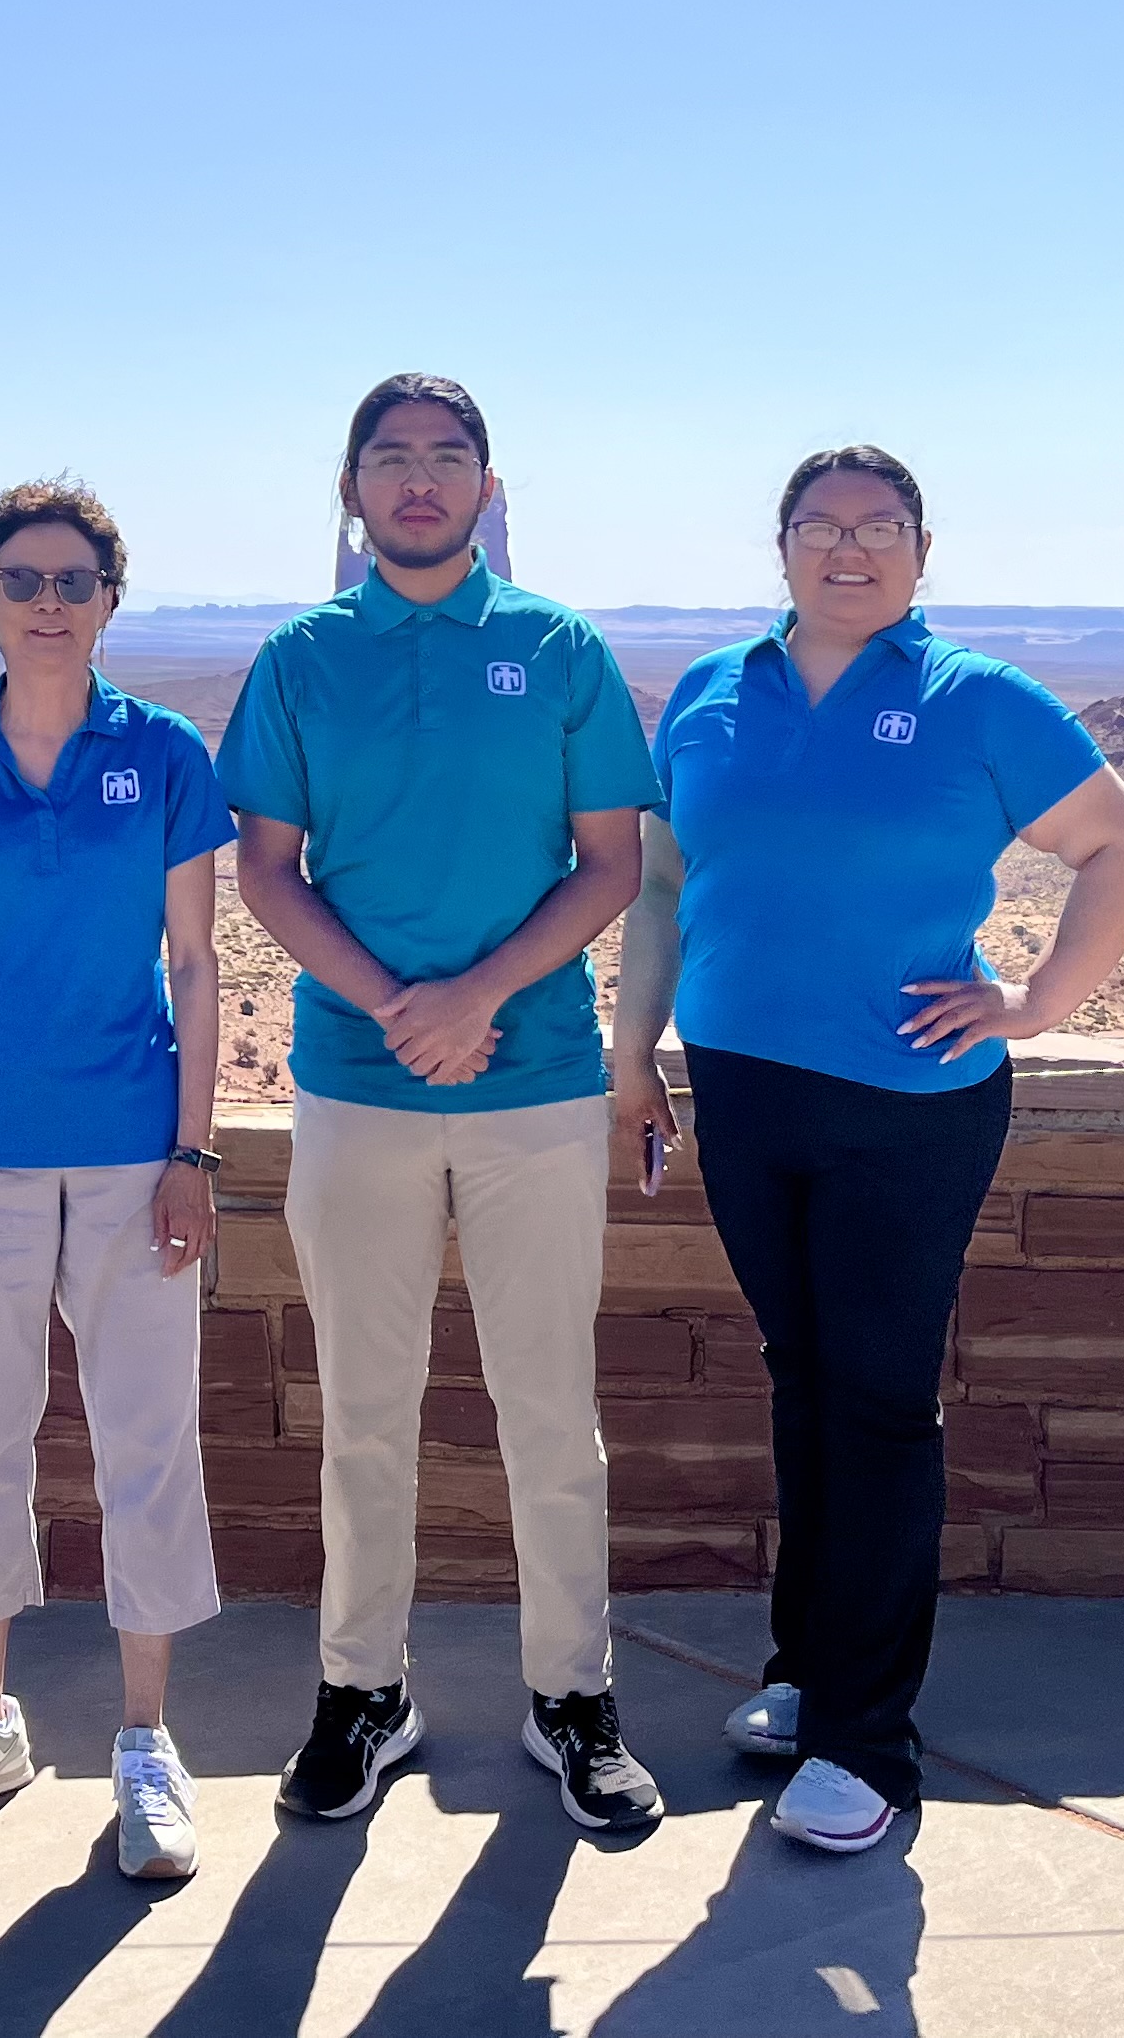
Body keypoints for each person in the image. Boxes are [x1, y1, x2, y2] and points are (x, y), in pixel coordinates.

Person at [612, 444, 1124, 1856]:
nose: (847, 549)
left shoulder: (977, 698)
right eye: (820, 526)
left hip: (906, 1102)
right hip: (742, 1085)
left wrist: (1038, 1000)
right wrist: (636, 1050)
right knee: (803, 1386)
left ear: (923, 551)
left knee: (875, 1404)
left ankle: (871, 1744)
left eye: (879, 528)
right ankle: (810, 1675)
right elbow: (668, 880)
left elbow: (1123, 849)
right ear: (780, 544)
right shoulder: (713, 697)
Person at [221, 373, 668, 1835]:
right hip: (357, 1085)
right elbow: (269, 871)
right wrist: (401, 1008)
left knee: (549, 1405)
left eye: (448, 457)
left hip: (536, 1080)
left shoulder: (559, 650)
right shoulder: (298, 660)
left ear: (488, 484)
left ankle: (572, 1695)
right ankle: (364, 1690)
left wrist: (475, 999)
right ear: (351, 490)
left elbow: (610, 861)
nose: (420, 481)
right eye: (392, 459)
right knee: (366, 1405)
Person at [0, 483, 236, 1882]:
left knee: (149, 1435)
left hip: (137, 1142)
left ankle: (146, 1738)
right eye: (20, 577)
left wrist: (196, 1151)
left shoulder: (165, 752)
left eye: (74, 579)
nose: (46, 600)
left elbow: (198, 965)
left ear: (108, 600)